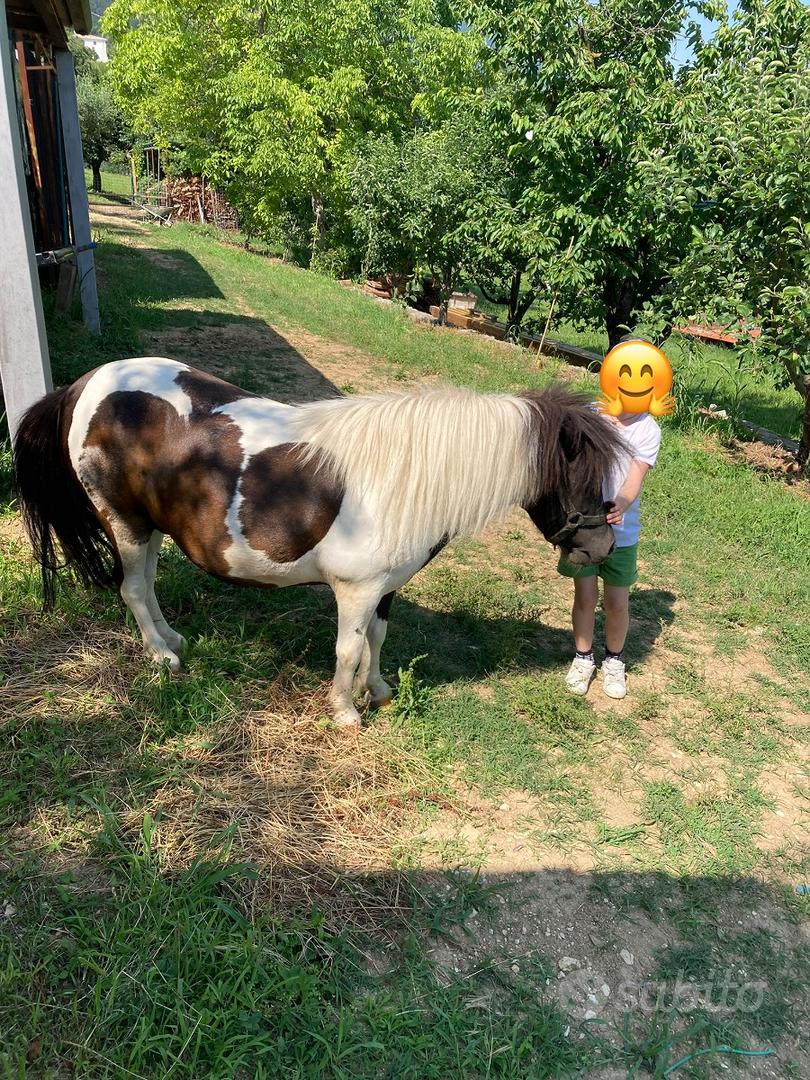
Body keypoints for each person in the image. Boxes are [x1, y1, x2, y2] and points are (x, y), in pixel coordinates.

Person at [558, 408, 661, 699]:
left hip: (621, 535)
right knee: (585, 598)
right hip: (584, 528)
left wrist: (621, 503)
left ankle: (614, 660)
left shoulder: (648, 429)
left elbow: (636, 476)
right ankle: (583, 658)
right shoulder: (593, 413)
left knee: (617, 604)